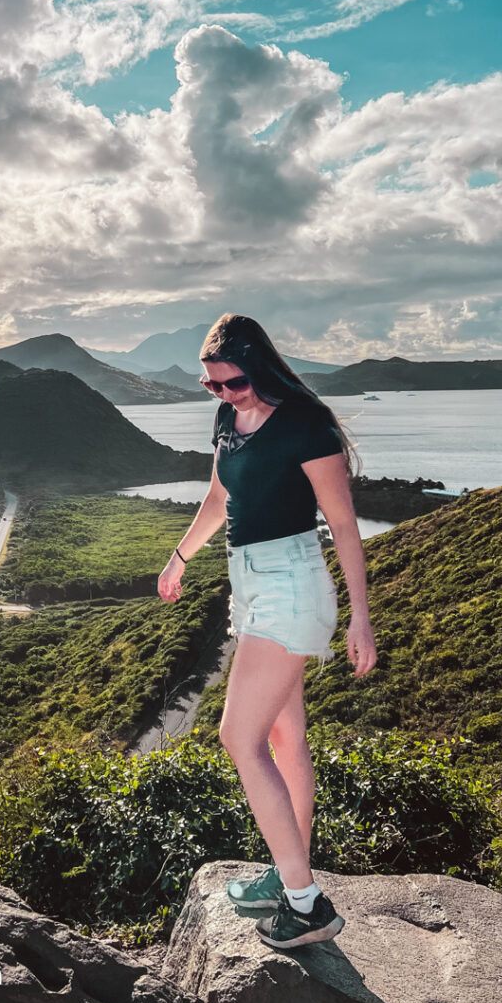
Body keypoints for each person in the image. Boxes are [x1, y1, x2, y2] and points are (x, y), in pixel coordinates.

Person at [158, 313, 377, 949]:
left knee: (238, 736)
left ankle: (307, 904)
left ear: (260, 367)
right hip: (247, 583)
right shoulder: (229, 417)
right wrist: (179, 557)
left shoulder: (305, 424)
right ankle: (288, 878)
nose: (223, 395)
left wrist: (360, 616)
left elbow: (342, 525)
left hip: (292, 583)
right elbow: (220, 498)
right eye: (212, 386)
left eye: (232, 383)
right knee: (285, 735)